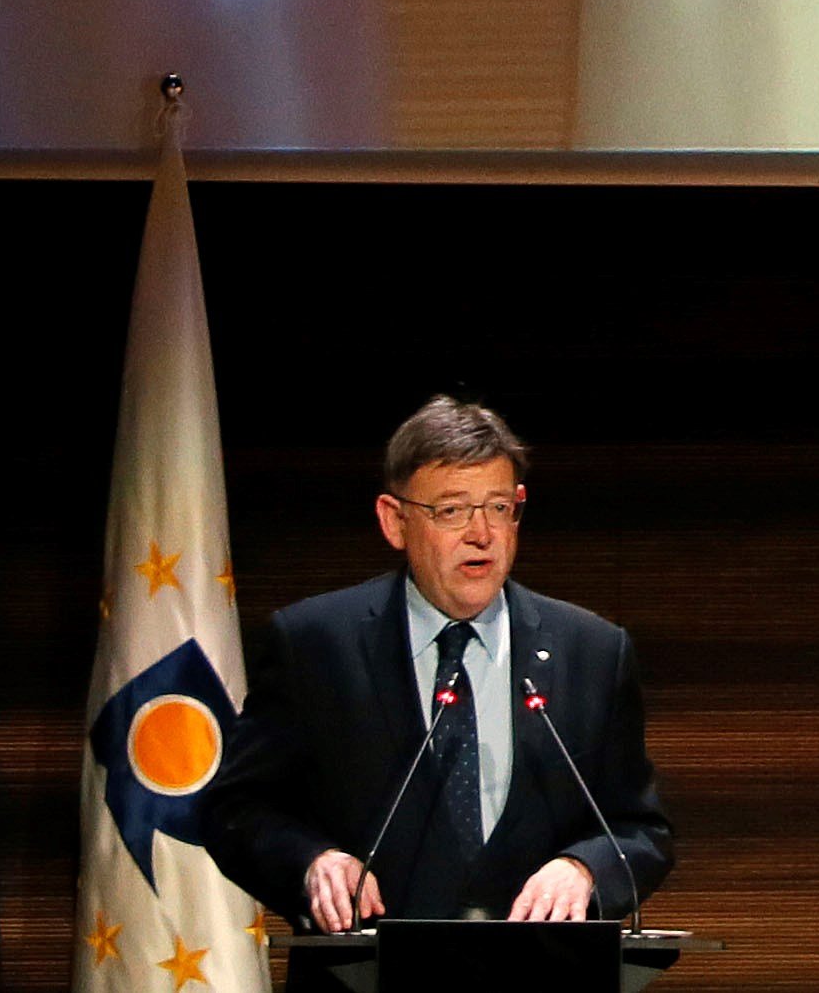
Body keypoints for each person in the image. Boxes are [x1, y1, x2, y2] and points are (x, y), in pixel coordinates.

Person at [209, 397, 674, 932]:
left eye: (499, 507)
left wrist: (585, 869)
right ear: (394, 521)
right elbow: (236, 811)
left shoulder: (592, 651)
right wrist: (312, 862)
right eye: (451, 510)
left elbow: (641, 830)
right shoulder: (314, 645)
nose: (481, 534)